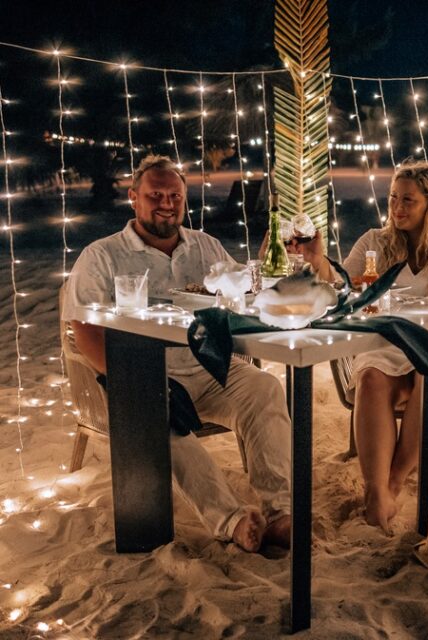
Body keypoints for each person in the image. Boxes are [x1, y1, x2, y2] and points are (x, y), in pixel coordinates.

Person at [63, 155, 291, 552]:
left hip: (210, 367)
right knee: (156, 415)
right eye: (155, 195)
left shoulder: (206, 246)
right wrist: (133, 382)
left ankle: (281, 512)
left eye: (175, 196)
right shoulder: (101, 256)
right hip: (143, 373)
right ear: (134, 198)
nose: (167, 204)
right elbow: (84, 331)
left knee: (265, 387)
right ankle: (233, 521)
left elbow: (243, 297)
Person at [291, 160, 428, 533]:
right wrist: (317, 260)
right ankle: (375, 491)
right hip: (386, 344)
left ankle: (394, 481)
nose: (397, 208)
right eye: (392, 199)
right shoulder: (375, 242)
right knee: (370, 377)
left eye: (408, 200)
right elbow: (340, 287)